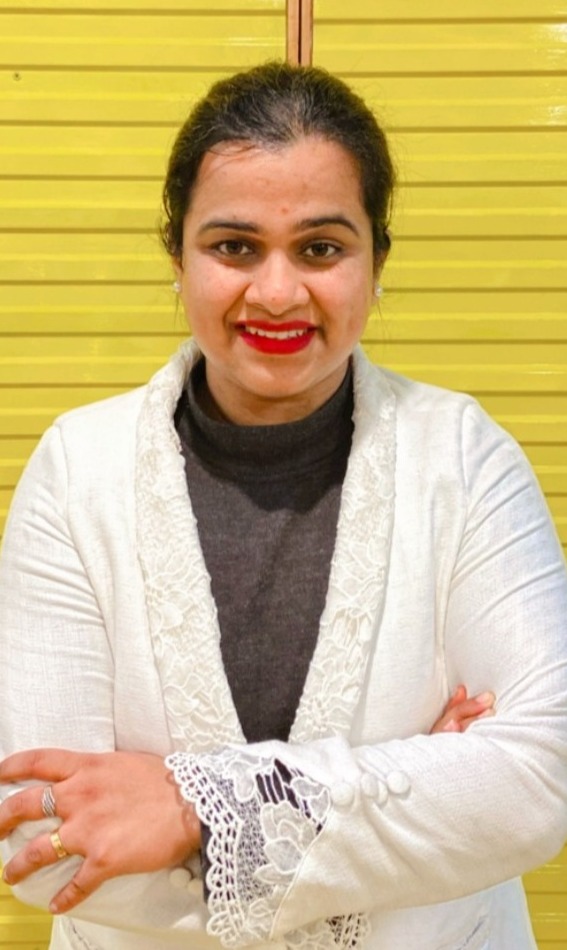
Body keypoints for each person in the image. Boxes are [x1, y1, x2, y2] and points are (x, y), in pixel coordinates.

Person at [0, 60, 566, 950]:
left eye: (320, 248)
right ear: (177, 258)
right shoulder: (78, 470)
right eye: (233, 247)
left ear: (375, 262)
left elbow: (540, 781)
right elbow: (41, 845)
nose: (275, 292)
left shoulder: (463, 457)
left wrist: (189, 807)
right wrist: (410, 783)